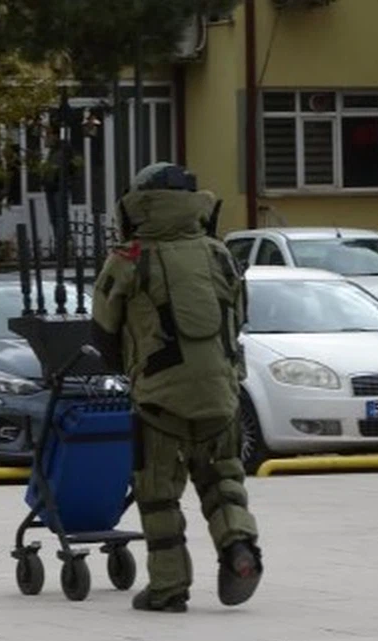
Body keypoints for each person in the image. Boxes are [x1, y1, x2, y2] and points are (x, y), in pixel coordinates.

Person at [89, 162, 263, 613]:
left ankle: (168, 587)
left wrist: (131, 369)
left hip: (159, 400)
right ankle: (239, 546)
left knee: (158, 492)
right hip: (221, 393)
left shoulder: (130, 258)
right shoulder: (219, 254)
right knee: (223, 478)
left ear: (138, 204)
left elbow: (103, 329)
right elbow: (239, 316)